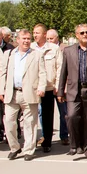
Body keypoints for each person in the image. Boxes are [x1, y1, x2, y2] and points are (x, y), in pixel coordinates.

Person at [57, 24, 87, 162]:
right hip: (74, 90)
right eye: (82, 32)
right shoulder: (68, 51)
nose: (85, 34)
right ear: (77, 35)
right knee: (72, 116)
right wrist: (61, 91)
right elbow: (63, 73)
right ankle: (75, 144)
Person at [0, 30, 47, 161]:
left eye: (28, 39)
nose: (26, 41)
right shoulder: (9, 54)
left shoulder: (37, 55)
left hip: (29, 93)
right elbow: (2, 73)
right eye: (23, 38)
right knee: (8, 122)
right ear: (17, 40)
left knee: (30, 123)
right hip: (12, 93)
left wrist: (41, 88)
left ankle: (29, 150)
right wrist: (1, 90)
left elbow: (42, 73)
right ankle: (14, 147)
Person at [32, 24, 64, 153]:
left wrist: (58, 86)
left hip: (49, 87)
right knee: (32, 115)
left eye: (37, 33)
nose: (35, 35)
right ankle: (31, 140)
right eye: (33, 32)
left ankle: (47, 141)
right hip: (33, 87)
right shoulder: (31, 48)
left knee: (47, 115)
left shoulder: (54, 49)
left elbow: (60, 68)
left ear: (44, 34)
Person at [0, 25, 15, 143]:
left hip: (7, 83)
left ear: (2, 37)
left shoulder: (10, 48)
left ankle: (13, 132)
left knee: (9, 110)